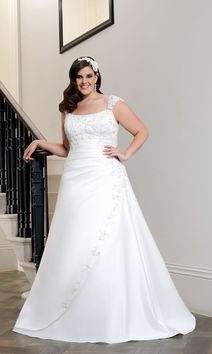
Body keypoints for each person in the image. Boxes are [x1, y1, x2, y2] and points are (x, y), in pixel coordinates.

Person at [13, 56, 196, 344]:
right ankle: (73, 309)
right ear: (73, 81)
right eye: (78, 78)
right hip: (76, 180)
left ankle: (108, 311)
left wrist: (126, 154)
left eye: (88, 76)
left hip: (105, 179)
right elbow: (65, 149)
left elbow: (141, 131)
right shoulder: (69, 108)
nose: (84, 82)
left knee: (106, 239)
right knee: (75, 240)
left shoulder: (113, 103)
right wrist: (40, 143)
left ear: (97, 76)